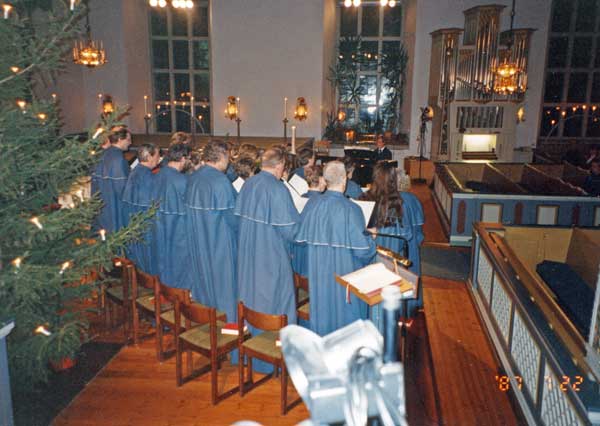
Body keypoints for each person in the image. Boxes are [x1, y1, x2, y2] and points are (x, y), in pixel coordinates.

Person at [295, 161, 376, 335]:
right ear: (345, 180)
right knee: (346, 322)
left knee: (322, 318)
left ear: (324, 180)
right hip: (344, 276)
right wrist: (371, 239)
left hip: (318, 275)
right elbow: (363, 251)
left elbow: (300, 239)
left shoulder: (312, 204)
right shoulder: (352, 209)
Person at [235, 147, 299, 352]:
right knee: (278, 300)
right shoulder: (278, 189)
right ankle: (275, 352)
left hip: (249, 252)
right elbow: (290, 231)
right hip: (271, 254)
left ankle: (253, 344)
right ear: (280, 165)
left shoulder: (249, 183)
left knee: (253, 296)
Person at [361, 162, 425, 315]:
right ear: (392, 180)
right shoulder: (399, 203)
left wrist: (376, 231)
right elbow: (409, 233)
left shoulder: (365, 198)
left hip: (372, 256)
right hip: (394, 257)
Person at [186, 140, 239, 321]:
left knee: (204, 281)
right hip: (220, 243)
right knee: (224, 285)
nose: (229, 162)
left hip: (199, 240)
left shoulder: (194, 177)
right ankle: (228, 326)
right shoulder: (220, 181)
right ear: (222, 157)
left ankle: (205, 322)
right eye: (228, 157)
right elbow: (233, 218)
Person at [154, 143, 191, 289]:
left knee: (164, 260)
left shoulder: (159, 174)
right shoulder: (182, 180)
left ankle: (165, 291)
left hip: (160, 223)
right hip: (178, 228)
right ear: (182, 158)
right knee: (180, 265)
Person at [121, 143, 161, 274]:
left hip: (132, 224)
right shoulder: (148, 177)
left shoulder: (135, 172)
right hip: (145, 229)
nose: (159, 158)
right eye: (157, 155)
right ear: (149, 157)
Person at [91, 127, 131, 233]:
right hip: (114, 207)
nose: (130, 143)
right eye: (128, 139)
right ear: (120, 139)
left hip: (100, 207)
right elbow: (122, 189)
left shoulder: (101, 154)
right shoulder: (119, 159)